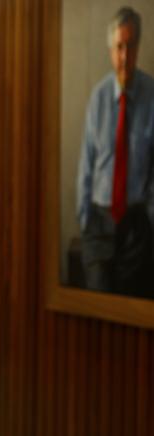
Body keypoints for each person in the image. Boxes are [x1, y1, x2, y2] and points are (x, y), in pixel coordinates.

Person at [76, 6, 154, 298]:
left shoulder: (152, 96)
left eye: (131, 46)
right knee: (99, 304)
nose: (125, 57)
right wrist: (84, 220)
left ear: (138, 46)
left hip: (136, 223)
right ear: (111, 50)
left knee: (132, 306)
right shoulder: (98, 99)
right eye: (119, 47)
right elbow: (87, 163)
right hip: (98, 221)